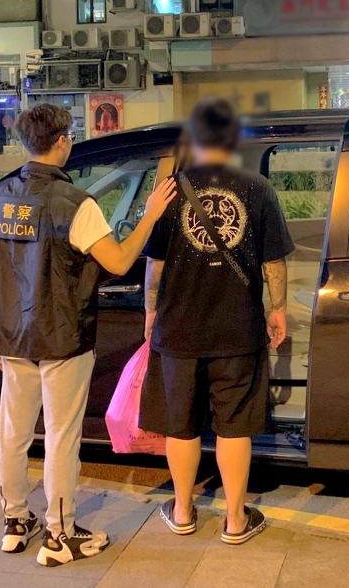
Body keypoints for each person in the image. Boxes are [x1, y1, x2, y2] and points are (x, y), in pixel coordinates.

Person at [0, 103, 176, 567]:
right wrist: (149, 215)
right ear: (63, 141)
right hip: (63, 339)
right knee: (61, 436)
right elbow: (119, 262)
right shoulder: (75, 204)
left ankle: (15, 522)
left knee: (13, 434)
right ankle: (60, 534)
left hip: (12, 338)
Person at [140, 97, 293, 545]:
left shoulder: (169, 190)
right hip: (237, 329)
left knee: (181, 424)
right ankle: (236, 520)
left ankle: (182, 511)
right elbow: (274, 261)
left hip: (179, 329)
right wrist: (277, 309)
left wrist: (150, 311)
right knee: (234, 426)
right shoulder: (258, 188)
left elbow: (155, 264)